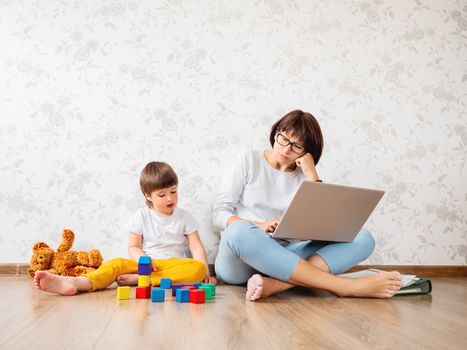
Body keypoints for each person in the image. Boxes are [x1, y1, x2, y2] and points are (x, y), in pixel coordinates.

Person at [212, 110, 402, 301]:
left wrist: (312, 175)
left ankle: (276, 285)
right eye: (283, 139)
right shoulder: (249, 159)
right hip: (241, 260)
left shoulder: (305, 176)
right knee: (238, 231)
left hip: (285, 254)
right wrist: (258, 225)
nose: (286, 149)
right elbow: (219, 213)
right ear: (276, 132)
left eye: (296, 146)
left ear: (307, 152)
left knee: (363, 238)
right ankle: (345, 287)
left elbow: (327, 226)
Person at [35, 161, 216, 296]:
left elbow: (196, 247)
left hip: (174, 265)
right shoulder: (141, 216)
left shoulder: (185, 216)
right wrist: (142, 260)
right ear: (148, 196)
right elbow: (133, 247)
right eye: (162, 194)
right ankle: (76, 283)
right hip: (146, 265)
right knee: (115, 264)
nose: (170, 199)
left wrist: (205, 272)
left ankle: (141, 282)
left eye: (174, 192)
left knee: (196, 268)